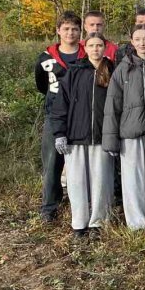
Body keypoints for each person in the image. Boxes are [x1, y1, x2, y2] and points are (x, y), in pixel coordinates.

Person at [103, 24, 145, 230]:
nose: (142, 43)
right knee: (132, 179)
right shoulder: (122, 69)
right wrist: (110, 139)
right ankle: (136, 223)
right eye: (138, 39)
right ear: (131, 42)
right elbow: (112, 106)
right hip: (130, 132)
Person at [51, 33, 115, 238]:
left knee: (101, 181)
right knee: (76, 182)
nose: (96, 49)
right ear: (84, 48)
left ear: (105, 48)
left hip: (102, 136)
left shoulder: (112, 70)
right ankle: (79, 223)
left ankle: (98, 222)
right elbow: (61, 104)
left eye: (99, 45)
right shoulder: (74, 72)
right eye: (91, 46)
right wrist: (60, 133)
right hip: (75, 136)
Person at [35, 11, 85, 223]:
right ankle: (49, 206)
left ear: (79, 31)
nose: (70, 33)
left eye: (74, 29)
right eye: (66, 29)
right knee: (52, 161)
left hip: (81, 114)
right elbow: (41, 85)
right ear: (58, 31)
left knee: (81, 162)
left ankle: (81, 203)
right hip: (55, 115)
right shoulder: (45, 58)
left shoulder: (87, 54)